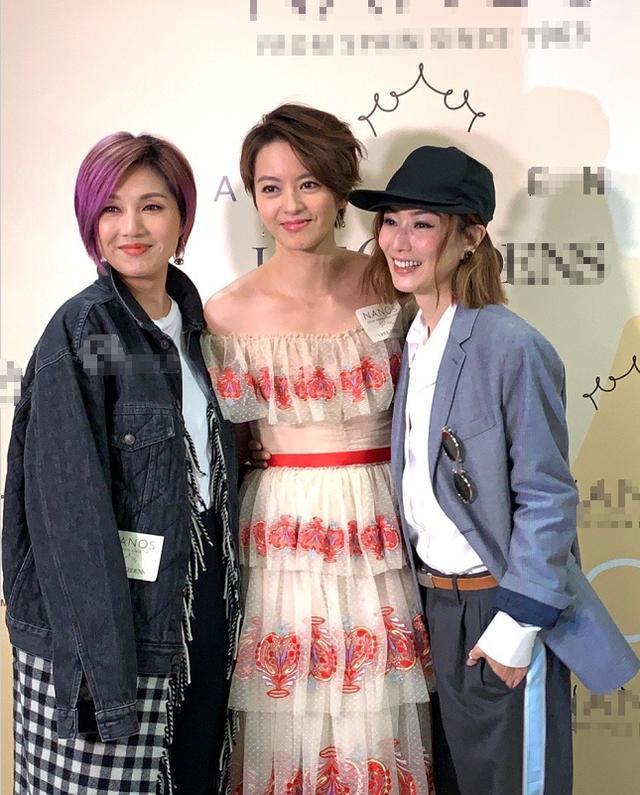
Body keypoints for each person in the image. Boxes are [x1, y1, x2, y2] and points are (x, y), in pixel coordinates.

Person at [348, 144, 640, 795]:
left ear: (471, 237)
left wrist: (515, 628)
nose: (399, 241)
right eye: (390, 222)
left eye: (422, 224)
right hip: (431, 609)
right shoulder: (409, 340)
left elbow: (547, 496)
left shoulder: (513, 347)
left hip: (499, 608)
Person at [201, 104, 434, 794]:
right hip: (283, 530)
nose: (291, 205)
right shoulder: (223, 313)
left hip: (382, 518)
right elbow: (228, 444)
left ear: (339, 188)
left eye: (308, 183)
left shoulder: (394, 283)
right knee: (287, 710)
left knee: (375, 714)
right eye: (270, 188)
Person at [2, 132, 241, 794]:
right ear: (90, 221)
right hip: (111, 629)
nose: (130, 227)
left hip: (199, 607)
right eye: (111, 208)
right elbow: (67, 521)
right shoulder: (86, 333)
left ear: (182, 218)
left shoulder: (199, 331)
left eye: (152, 206)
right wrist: (101, 682)